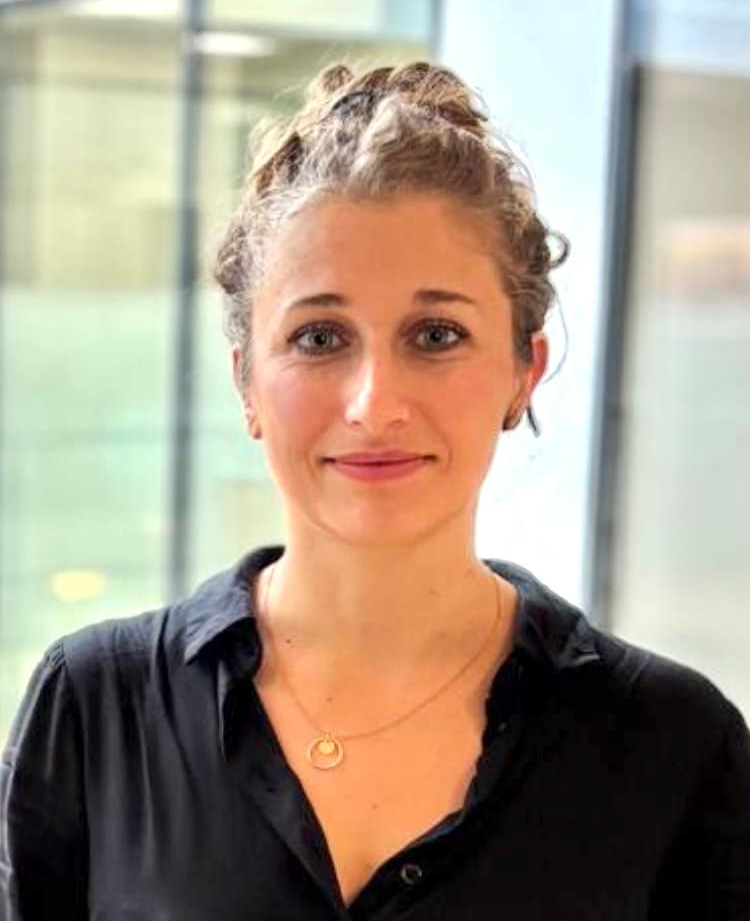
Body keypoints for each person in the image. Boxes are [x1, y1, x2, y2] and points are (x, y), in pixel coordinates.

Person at [1, 61, 749, 920]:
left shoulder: (673, 745)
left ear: (523, 371)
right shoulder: (96, 706)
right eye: (320, 337)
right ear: (247, 381)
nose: (374, 404)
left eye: (436, 335)